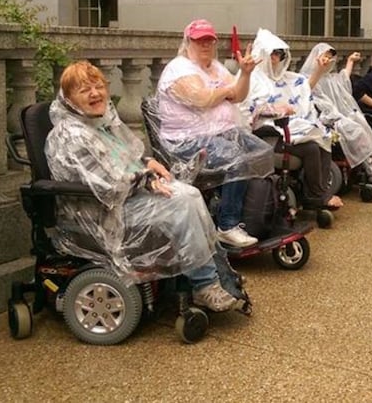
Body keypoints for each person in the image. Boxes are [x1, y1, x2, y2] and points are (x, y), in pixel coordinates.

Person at [45, 60, 241, 312]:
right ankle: (205, 285)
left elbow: (123, 158)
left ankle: (217, 276)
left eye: (98, 86)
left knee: (189, 195)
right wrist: (145, 179)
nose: (95, 93)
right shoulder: (71, 136)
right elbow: (105, 184)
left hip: (124, 198)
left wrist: (147, 162)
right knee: (182, 203)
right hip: (99, 212)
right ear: (70, 99)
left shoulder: (99, 123)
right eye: (84, 90)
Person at [155, 19, 275, 247]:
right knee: (235, 157)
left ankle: (254, 214)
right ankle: (227, 225)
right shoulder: (178, 68)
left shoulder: (215, 67)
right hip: (185, 140)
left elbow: (238, 96)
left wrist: (245, 74)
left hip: (220, 132)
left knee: (262, 152)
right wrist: (226, 90)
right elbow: (201, 99)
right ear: (188, 41)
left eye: (210, 40)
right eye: (200, 40)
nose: (206, 45)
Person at [245, 29, 344, 209]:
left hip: (288, 129)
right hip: (265, 135)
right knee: (311, 148)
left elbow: (303, 90)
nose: (276, 58)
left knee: (324, 138)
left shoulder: (285, 78)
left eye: (280, 54)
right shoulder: (253, 79)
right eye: (272, 53)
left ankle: (316, 192)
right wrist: (274, 110)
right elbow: (247, 109)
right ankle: (317, 196)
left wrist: (319, 70)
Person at [298, 42, 372, 189]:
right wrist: (318, 70)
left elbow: (344, 78)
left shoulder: (330, 78)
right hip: (321, 119)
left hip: (336, 116)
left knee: (361, 124)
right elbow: (306, 92)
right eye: (325, 57)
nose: (327, 61)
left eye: (330, 58)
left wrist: (350, 61)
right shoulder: (305, 78)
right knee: (354, 130)